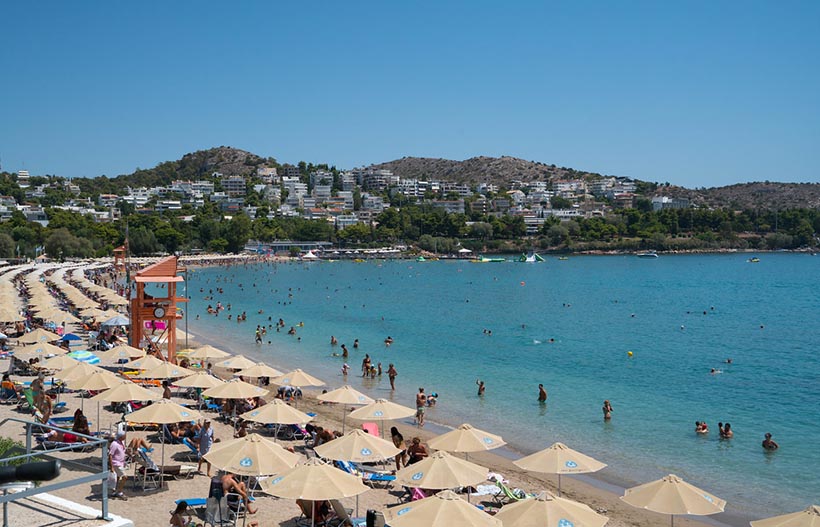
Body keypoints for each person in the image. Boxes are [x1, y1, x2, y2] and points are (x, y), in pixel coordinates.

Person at [109, 431, 128, 500]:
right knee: (124, 477)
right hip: (116, 464)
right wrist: (111, 467)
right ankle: (119, 492)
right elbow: (110, 455)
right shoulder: (114, 444)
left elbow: (123, 451)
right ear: (121, 436)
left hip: (121, 463)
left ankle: (115, 491)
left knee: (117, 478)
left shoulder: (121, 443)